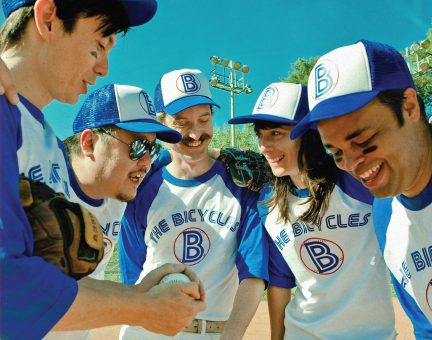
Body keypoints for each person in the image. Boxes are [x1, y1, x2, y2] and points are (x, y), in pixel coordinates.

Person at [0, 1, 205, 338]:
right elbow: (8, 290)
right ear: (48, 18)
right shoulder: (7, 116)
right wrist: (141, 306)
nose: (104, 68)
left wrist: (139, 297)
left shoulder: (45, 139)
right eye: (99, 45)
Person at [229, 82, 396, 339]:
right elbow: (281, 281)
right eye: (260, 135)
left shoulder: (354, 180)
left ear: (309, 134)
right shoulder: (269, 201)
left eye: (275, 133)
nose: (264, 146)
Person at [290, 39, 432, 338]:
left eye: (364, 141)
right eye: (336, 153)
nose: (352, 163)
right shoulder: (385, 215)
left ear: (409, 107)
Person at [118, 68, 269, 339]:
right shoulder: (141, 185)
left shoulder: (241, 183)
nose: (195, 133)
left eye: (204, 118)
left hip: (216, 331)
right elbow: (131, 274)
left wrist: (233, 335)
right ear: (161, 123)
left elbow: (254, 273)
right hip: (148, 329)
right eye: (182, 122)